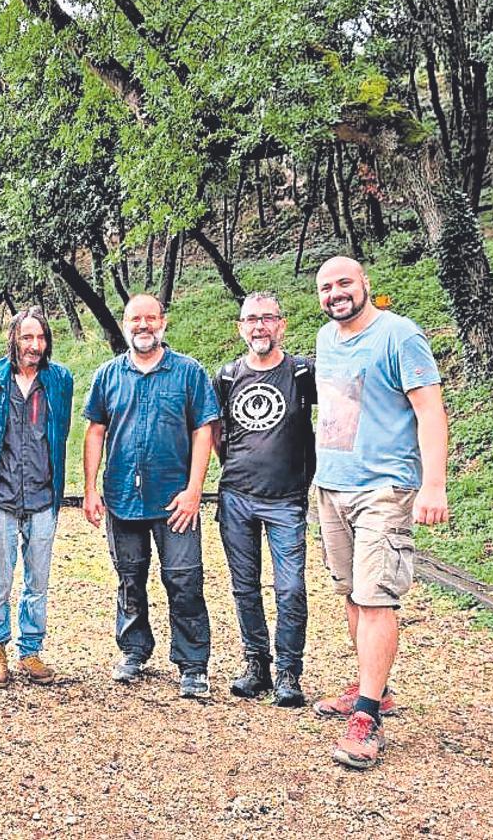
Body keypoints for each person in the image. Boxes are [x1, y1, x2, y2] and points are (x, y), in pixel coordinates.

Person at [312, 256, 450, 769]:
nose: (335, 293)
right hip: (333, 487)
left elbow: (429, 410)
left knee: (375, 599)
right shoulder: (328, 340)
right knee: (351, 593)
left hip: (384, 490)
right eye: (326, 287)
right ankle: (376, 688)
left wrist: (432, 484)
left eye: (344, 282)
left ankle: (368, 717)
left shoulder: (400, 336)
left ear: (365, 283)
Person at [82, 293, 221, 698]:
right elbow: (95, 431)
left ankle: (193, 664)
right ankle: (134, 649)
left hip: (174, 498)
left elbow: (203, 430)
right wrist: (90, 488)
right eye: (134, 319)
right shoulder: (108, 375)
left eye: (150, 318)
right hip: (123, 494)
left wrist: (195, 489)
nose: (143, 326)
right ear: (125, 325)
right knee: (129, 578)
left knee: (184, 579)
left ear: (163, 322)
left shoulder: (189, 372)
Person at [212, 292, 315, 708]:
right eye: (251, 319)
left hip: (286, 498)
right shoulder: (226, 375)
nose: (260, 327)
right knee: (244, 586)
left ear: (282, 324)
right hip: (236, 495)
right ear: (240, 327)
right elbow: (217, 431)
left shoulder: (302, 372)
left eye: (268, 318)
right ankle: (256, 663)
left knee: (290, 587)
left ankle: (289, 670)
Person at [0, 307, 74, 688]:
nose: (35, 345)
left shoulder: (59, 379)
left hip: (43, 495)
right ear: (13, 338)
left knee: (38, 581)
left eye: (41, 337)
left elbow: (59, 433)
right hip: (1, 495)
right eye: (27, 337)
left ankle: (30, 649)